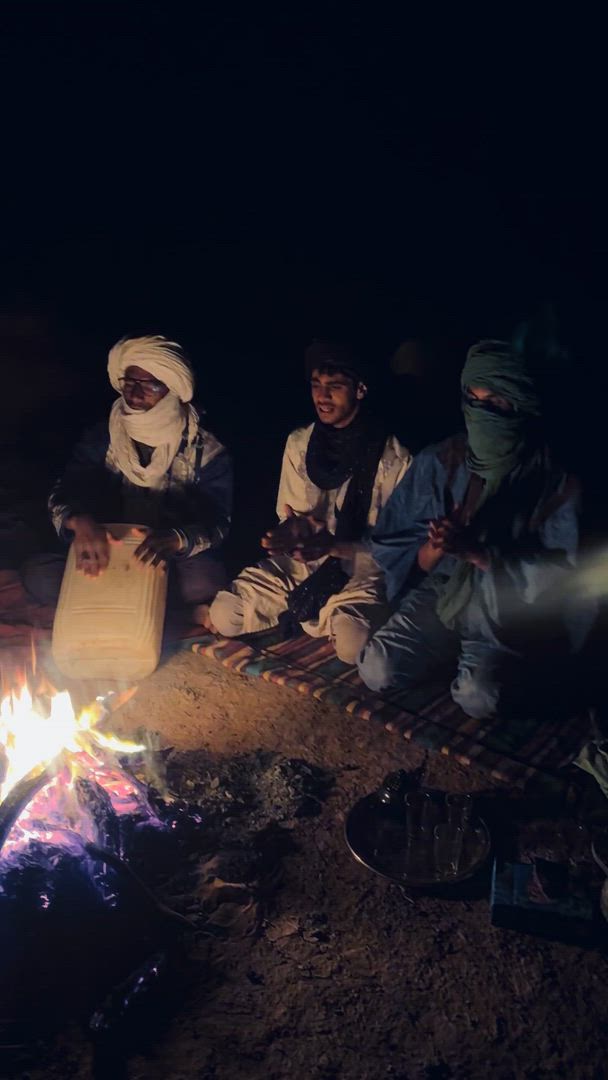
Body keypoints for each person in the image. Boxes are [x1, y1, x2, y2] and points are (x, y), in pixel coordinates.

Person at [358, 339, 588, 718]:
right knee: (376, 667)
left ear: (521, 407)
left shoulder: (556, 481)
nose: (483, 415)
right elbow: (394, 545)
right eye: (475, 401)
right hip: (443, 590)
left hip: (504, 604)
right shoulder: (442, 459)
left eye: (495, 405)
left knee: (479, 697)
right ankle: (451, 651)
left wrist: (479, 554)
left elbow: (565, 578)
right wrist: (437, 546)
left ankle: (492, 665)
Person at [206, 341, 411, 663]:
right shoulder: (301, 442)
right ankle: (310, 609)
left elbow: (395, 545)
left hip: (362, 571)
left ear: (360, 390)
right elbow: (293, 513)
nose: (322, 396)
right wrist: (291, 532)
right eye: (316, 386)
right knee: (224, 614)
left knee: (351, 646)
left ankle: (331, 615)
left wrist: (334, 547)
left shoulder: (393, 455)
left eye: (335, 387)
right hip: (302, 566)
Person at [23, 334, 232, 613]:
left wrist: (175, 538)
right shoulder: (104, 435)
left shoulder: (206, 449)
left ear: (173, 390)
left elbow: (218, 522)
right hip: (107, 547)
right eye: (129, 382)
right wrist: (79, 521)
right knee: (39, 575)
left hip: (163, 554)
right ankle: (132, 598)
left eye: (151, 385)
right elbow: (65, 490)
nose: (134, 394)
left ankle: (115, 597)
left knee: (204, 582)